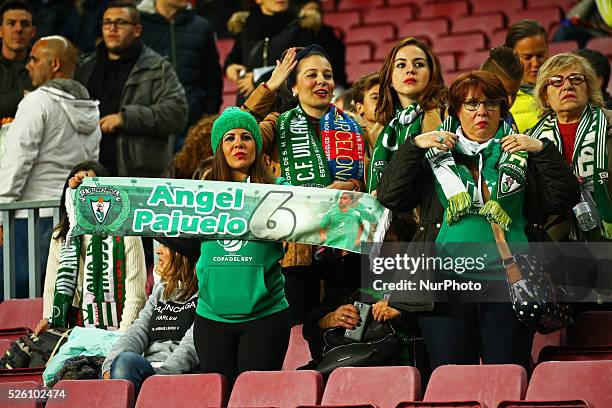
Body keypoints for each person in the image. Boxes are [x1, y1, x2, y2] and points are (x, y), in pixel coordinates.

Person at [376, 71, 580, 371]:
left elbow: (564, 199)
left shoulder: (522, 152)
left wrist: (541, 150)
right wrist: (416, 145)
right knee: (451, 382)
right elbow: (390, 196)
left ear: (503, 108)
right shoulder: (435, 155)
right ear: (457, 111)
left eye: (490, 104)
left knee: (509, 376)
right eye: (471, 104)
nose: (481, 111)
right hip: (444, 288)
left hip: (510, 287)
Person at [242, 44, 367, 325]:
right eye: (312, 75)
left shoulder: (356, 127)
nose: (322, 81)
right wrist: (269, 88)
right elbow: (234, 135)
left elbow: (372, 181)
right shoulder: (277, 125)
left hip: (347, 248)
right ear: (295, 87)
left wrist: (354, 186)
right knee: (296, 334)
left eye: (328, 74)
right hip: (296, 252)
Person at [192, 106, 290, 386]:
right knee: (218, 401)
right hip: (211, 318)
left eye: (246, 137)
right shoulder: (198, 195)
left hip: (265, 317)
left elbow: (320, 210)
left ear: (257, 146)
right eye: (229, 138)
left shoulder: (280, 189)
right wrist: (89, 191)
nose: (238, 144)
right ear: (219, 148)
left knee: (256, 401)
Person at [0, 36, 101, 300]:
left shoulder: (36, 102)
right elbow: (90, 167)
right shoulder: (90, 107)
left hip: (27, 219)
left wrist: (1, 212)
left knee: (19, 301)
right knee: (59, 299)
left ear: (54, 64)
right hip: (72, 218)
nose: (28, 66)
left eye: (34, 59)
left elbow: (16, 161)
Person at [75, 0, 188, 178]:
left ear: (137, 30)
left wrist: (126, 118)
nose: (112, 28)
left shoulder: (158, 67)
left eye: (120, 22)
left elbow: (177, 114)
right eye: (107, 23)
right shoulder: (85, 67)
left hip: (141, 179)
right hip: (92, 174)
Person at [37, 161, 147, 334]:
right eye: (79, 189)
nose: (86, 195)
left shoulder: (127, 232)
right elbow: (52, 288)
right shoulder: (61, 236)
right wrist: (51, 325)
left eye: (92, 187)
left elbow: (136, 293)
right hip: (73, 332)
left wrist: (121, 337)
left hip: (120, 332)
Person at [530, 52, 612, 242]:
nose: (567, 85)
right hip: (559, 244)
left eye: (576, 79)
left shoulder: (608, 125)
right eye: (557, 81)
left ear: (589, 88)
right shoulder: (531, 140)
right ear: (545, 95)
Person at [102, 239, 200, 395]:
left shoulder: (204, 295)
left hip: (176, 376)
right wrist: (109, 365)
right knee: (122, 362)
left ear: (183, 255)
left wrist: (161, 378)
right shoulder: (160, 291)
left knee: (126, 362)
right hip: (147, 372)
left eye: (166, 246)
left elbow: (192, 344)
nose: (158, 251)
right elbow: (137, 330)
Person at [367, 36, 448, 194]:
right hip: (392, 215)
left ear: (432, 74)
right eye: (401, 65)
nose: (410, 70)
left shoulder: (448, 113)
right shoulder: (378, 130)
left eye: (419, 64)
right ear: (390, 79)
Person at [137, 0, 223, 148]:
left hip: (192, 125)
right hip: (147, 125)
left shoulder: (201, 27)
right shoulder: (137, 25)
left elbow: (212, 79)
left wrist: (207, 118)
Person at [224, 0, 316, 105]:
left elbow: (302, 63)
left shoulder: (300, 26)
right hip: (250, 101)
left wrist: (257, 79)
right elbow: (234, 57)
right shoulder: (247, 26)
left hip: (287, 103)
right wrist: (229, 66)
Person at [504, 19, 548, 133]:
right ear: (511, 56)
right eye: (527, 57)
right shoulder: (500, 97)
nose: (535, 63)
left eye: (540, 55)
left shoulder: (564, 87)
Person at [0, 0, 36, 118]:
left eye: (25, 24)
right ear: (0, 30)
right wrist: (25, 96)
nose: (18, 29)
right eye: (11, 23)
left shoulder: (44, 65)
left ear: (33, 32)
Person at [480, 46, 524, 132]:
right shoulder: (458, 119)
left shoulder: (508, 119)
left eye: (514, 94)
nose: (510, 101)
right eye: (503, 93)